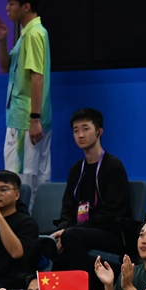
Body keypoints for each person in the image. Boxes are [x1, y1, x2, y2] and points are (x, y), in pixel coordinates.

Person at [51, 108, 132, 278]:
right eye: (76, 130)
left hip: (111, 232)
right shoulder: (76, 170)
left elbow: (113, 212)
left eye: (85, 128)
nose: (80, 134)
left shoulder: (113, 166)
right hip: (81, 231)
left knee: (71, 236)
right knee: (53, 242)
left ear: (99, 132)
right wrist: (63, 228)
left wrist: (72, 230)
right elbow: (68, 208)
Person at [0, 0, 51, 195]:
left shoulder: (34, 34)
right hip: (28, 120)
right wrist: (1, 41)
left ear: (26, 6)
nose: (7, 8)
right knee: (34, 182)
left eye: (11, 3)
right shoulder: (27, 34)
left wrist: (34, 118)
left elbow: (38, 77)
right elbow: (6, 67)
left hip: (25, 121)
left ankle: (24, 228)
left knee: (19, 184)